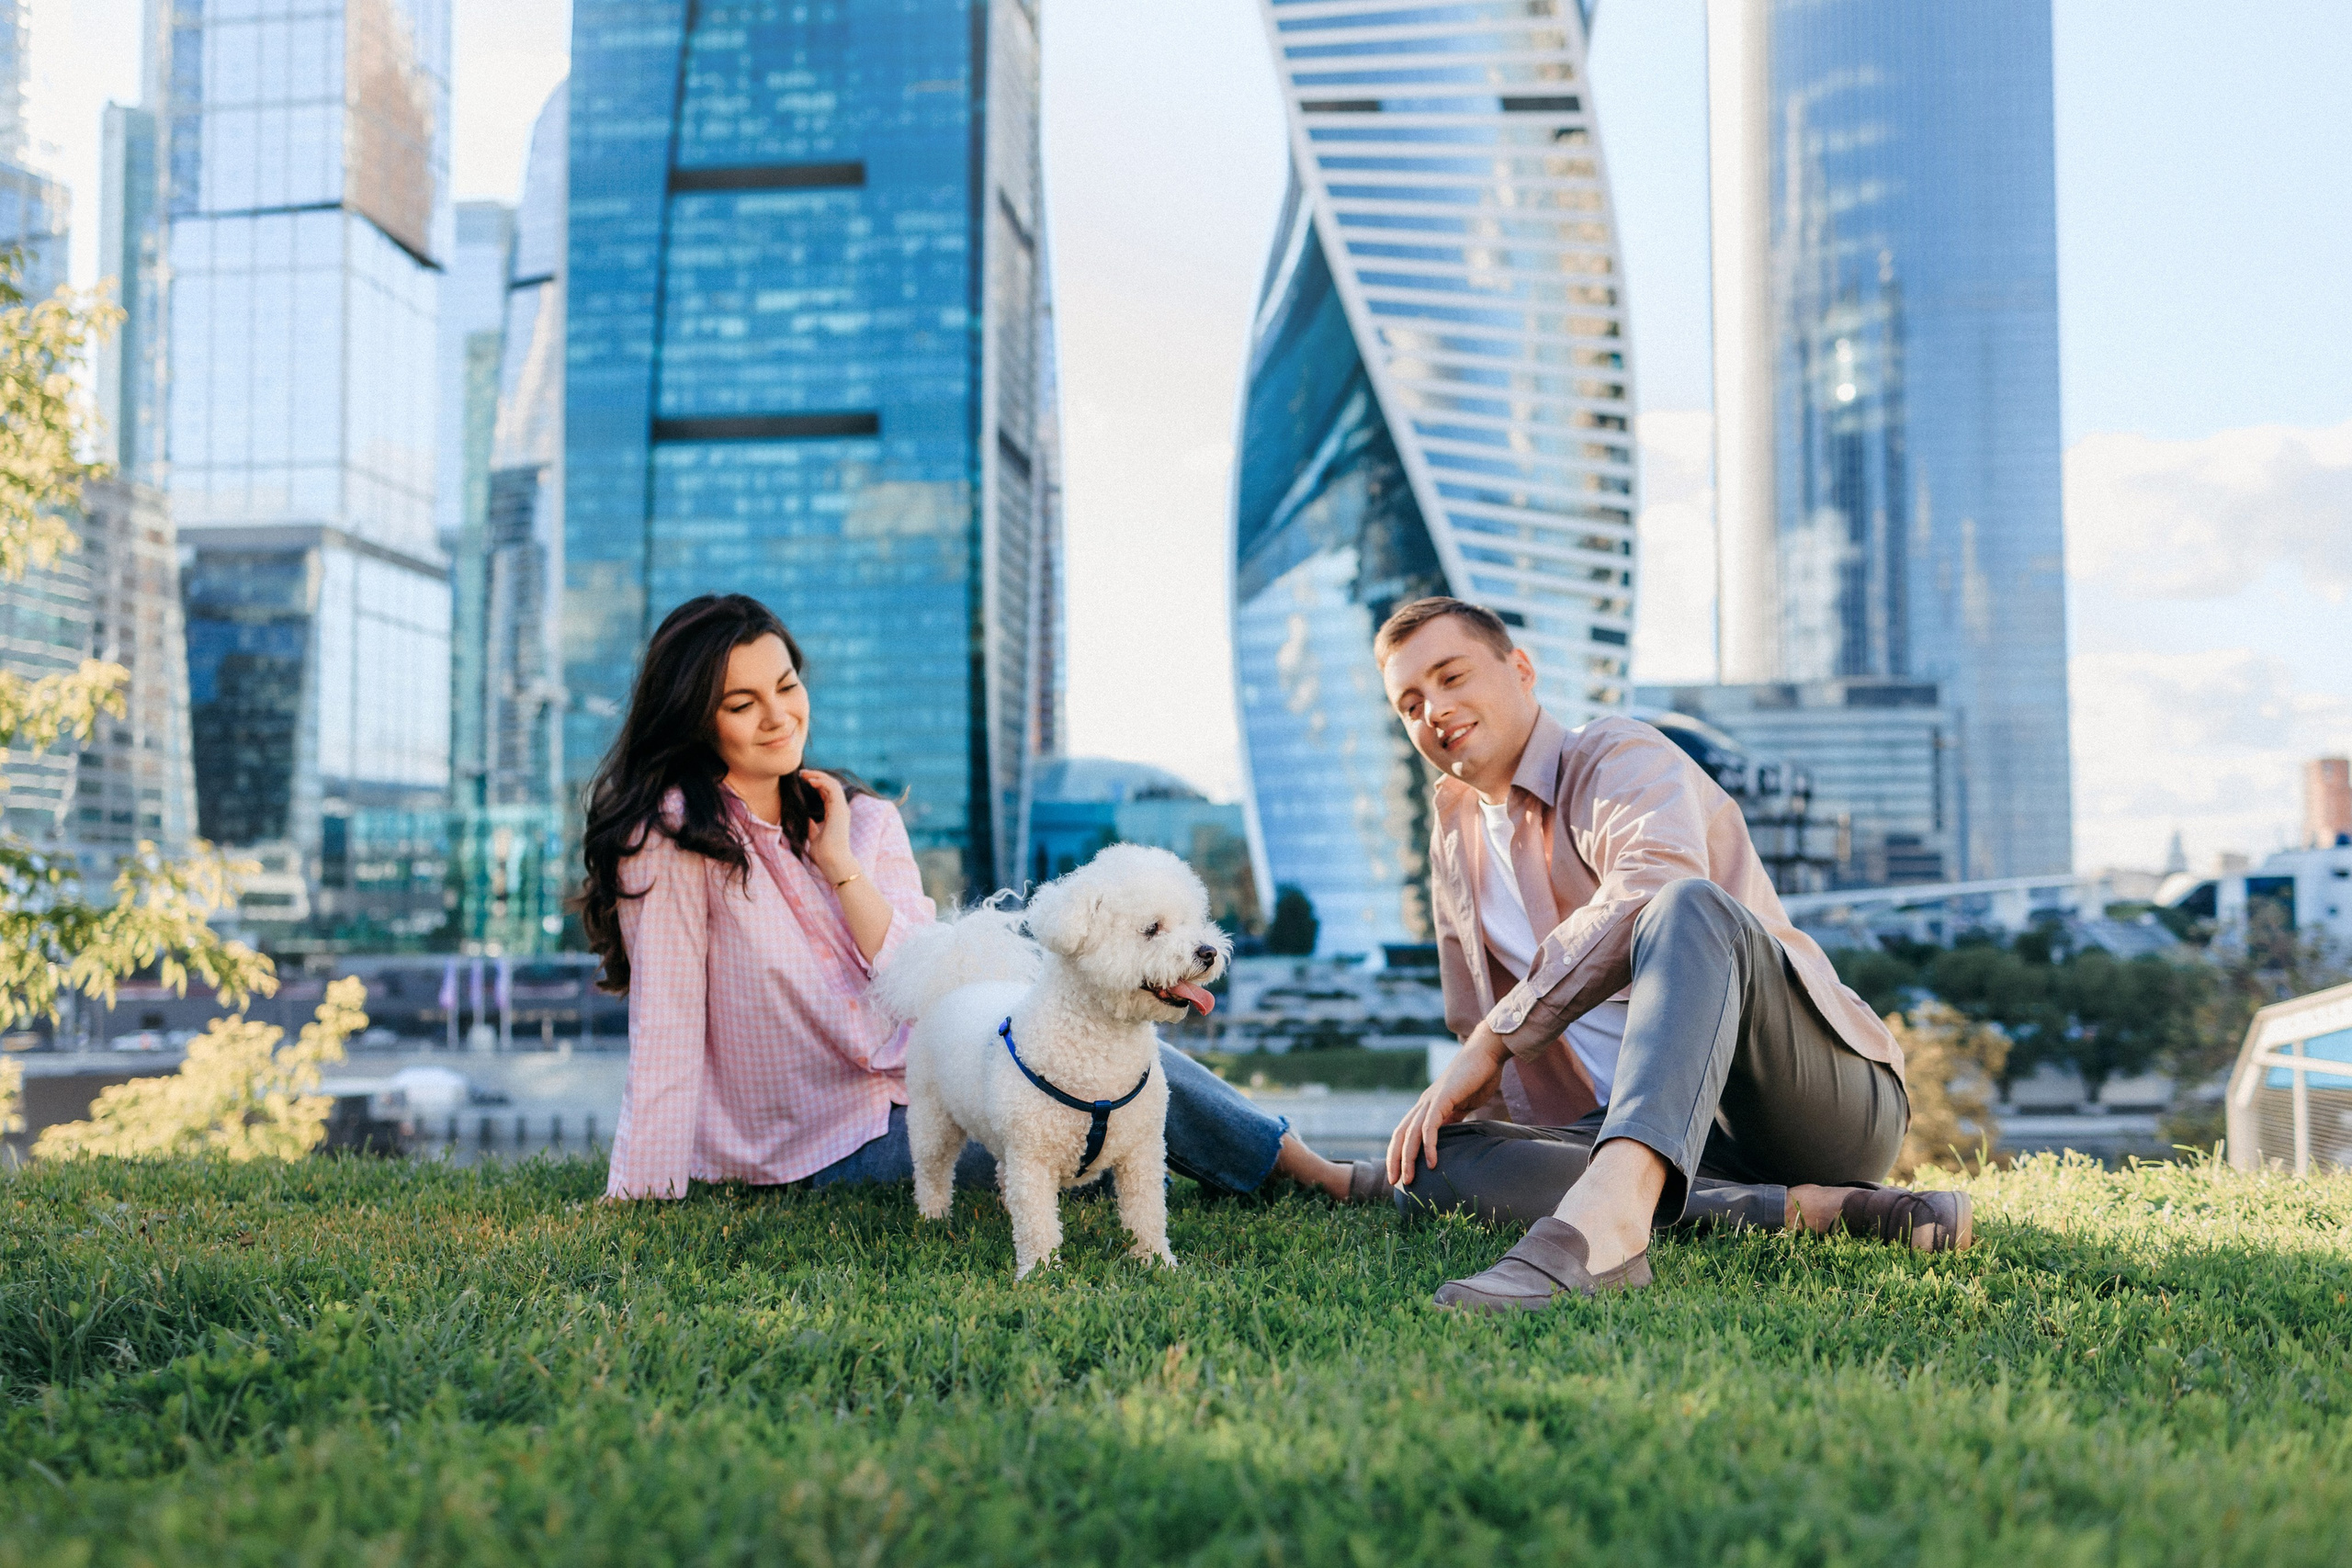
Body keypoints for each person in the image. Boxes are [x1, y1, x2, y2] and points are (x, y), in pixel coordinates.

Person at [579, 592, 1379, 1203]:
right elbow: (669, 1022)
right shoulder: (674, 838)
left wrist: (840, 868)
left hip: (932, 1071)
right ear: (696, 719)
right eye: (740, 703)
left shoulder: (862, 819)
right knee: (1068, 1124)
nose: (776, 716)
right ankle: (1270, 1169)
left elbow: (931, 981)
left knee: (1104, 1051)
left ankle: (1308, 1170)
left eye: (785, 686)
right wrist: (640, 1192)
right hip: (815, 1146)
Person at [1368, 598, 1972, 1312]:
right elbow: (1491, 1082)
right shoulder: (1454, 840)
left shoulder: (1617, 754)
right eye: (1410, 703)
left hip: (1808, 1099)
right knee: (1441, 1167)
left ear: (1521, 669)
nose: (1433, 709)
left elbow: (1653, 879)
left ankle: (1609, 1227)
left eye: (1451, 676)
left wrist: (1495, 1038)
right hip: (1659, 1133)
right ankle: (1805, 1211)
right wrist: (1425, 1150)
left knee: (1686, 903)